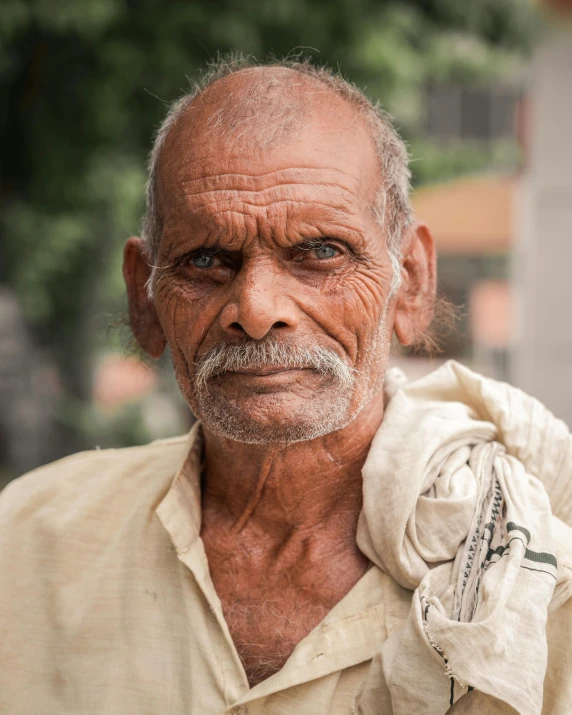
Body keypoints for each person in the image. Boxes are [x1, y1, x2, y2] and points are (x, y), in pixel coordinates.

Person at [0, 59, 571, 715]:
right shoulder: (26, 540)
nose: (258, 305)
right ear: (144, 296)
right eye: (207, 260)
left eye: (320, 251)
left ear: (410, 280)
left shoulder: (539, 572)